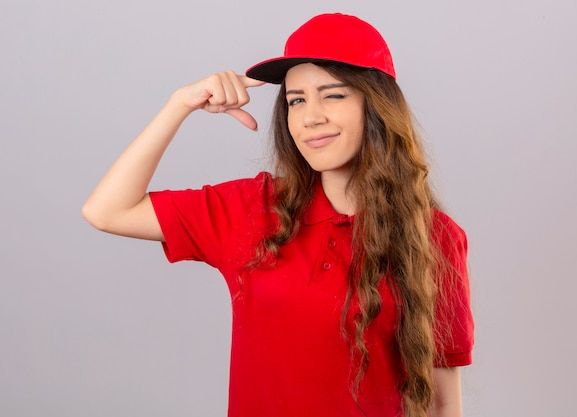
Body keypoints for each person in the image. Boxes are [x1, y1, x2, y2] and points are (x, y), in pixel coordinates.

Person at [82, 12, 474, 417]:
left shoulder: (434, 237)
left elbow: (443, 401)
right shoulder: (254, 209)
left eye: (333, 95)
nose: (310, 116)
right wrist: (180, 104)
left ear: (374, 105)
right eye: (296, 100)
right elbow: (107, 210)